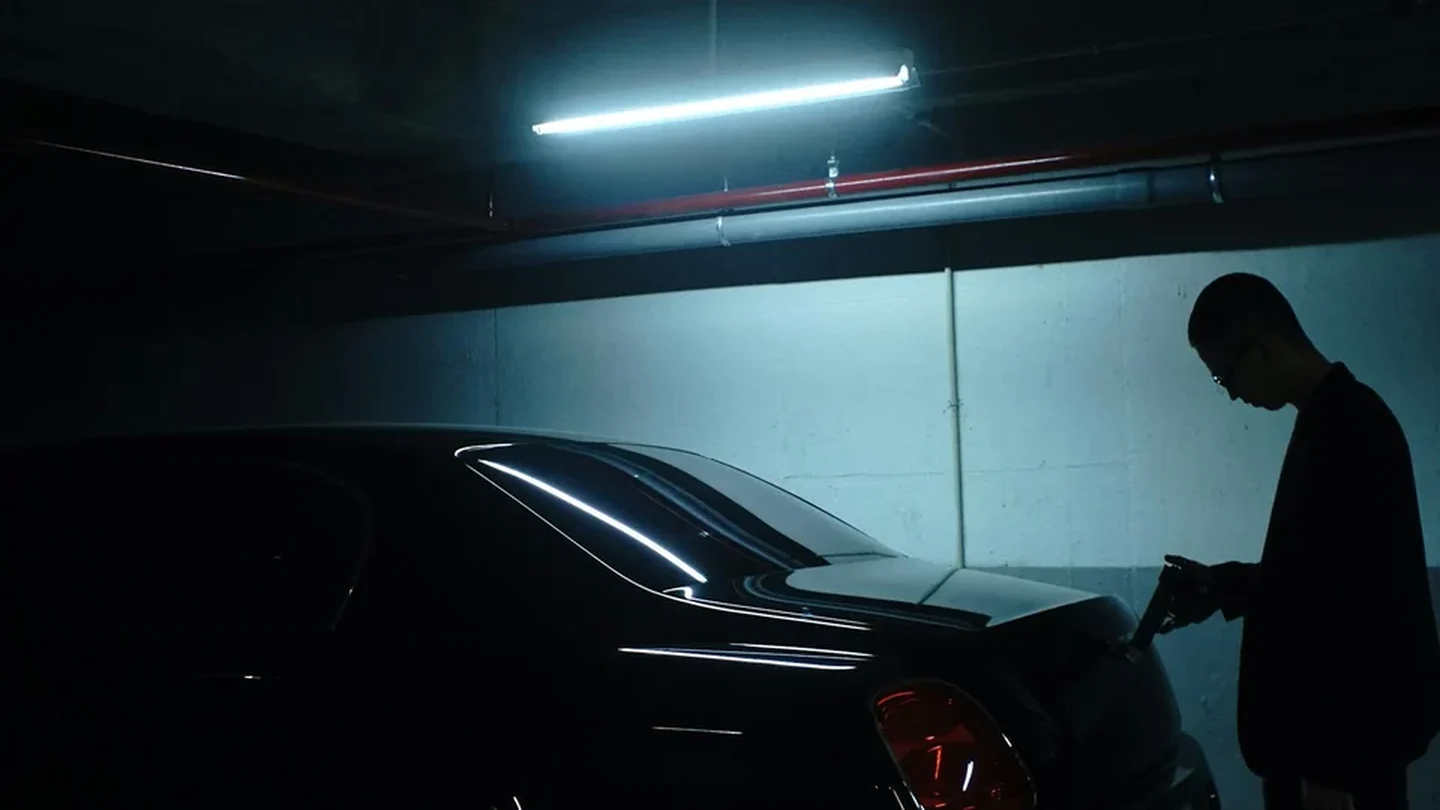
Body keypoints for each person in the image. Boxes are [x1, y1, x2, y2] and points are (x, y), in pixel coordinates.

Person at [1161, 272, 1440, 810]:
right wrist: (1223, 586)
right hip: (1336, 752)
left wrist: (1330, 772)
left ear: (1263, 347)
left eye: (1225, 376)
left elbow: (1360, 607)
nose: (1232, 394)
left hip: (1339, 759)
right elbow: (1317, 575)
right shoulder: (1335, 420)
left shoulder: (1347, 428)